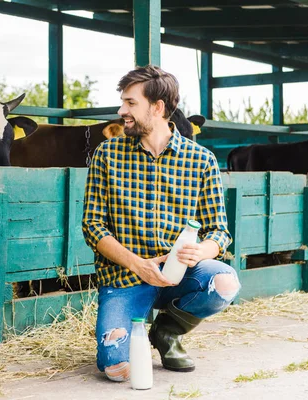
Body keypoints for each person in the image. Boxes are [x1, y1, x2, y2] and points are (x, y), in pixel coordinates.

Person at [81, 65, 241, 382]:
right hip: (126, 276)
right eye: (123, 102)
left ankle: (167, 332)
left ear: (157, 107)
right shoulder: (107, 154)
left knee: (225, 282)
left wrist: (203, 251)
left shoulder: (201, 159)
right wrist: (138, 265)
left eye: (130, 103)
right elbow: (93, 226)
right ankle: (125, 336)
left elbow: (219, 232)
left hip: (179, 273)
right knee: (116, 369)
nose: (121, 110)